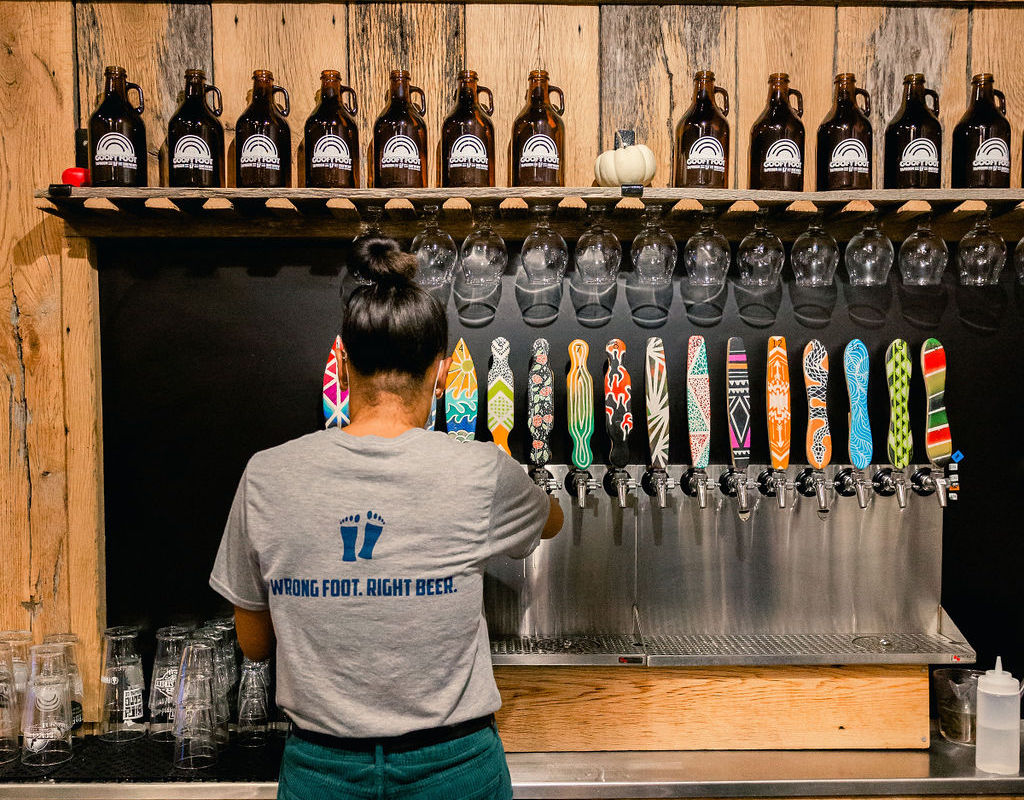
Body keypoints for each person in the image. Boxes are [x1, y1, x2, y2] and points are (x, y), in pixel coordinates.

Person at [210, 237, 563, 800]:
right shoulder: (480, 470)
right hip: (455, 769)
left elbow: (254, 644)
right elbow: (551, 522)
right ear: (441, 372)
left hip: (320, 770)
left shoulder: (266, 475)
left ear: (343, 362)